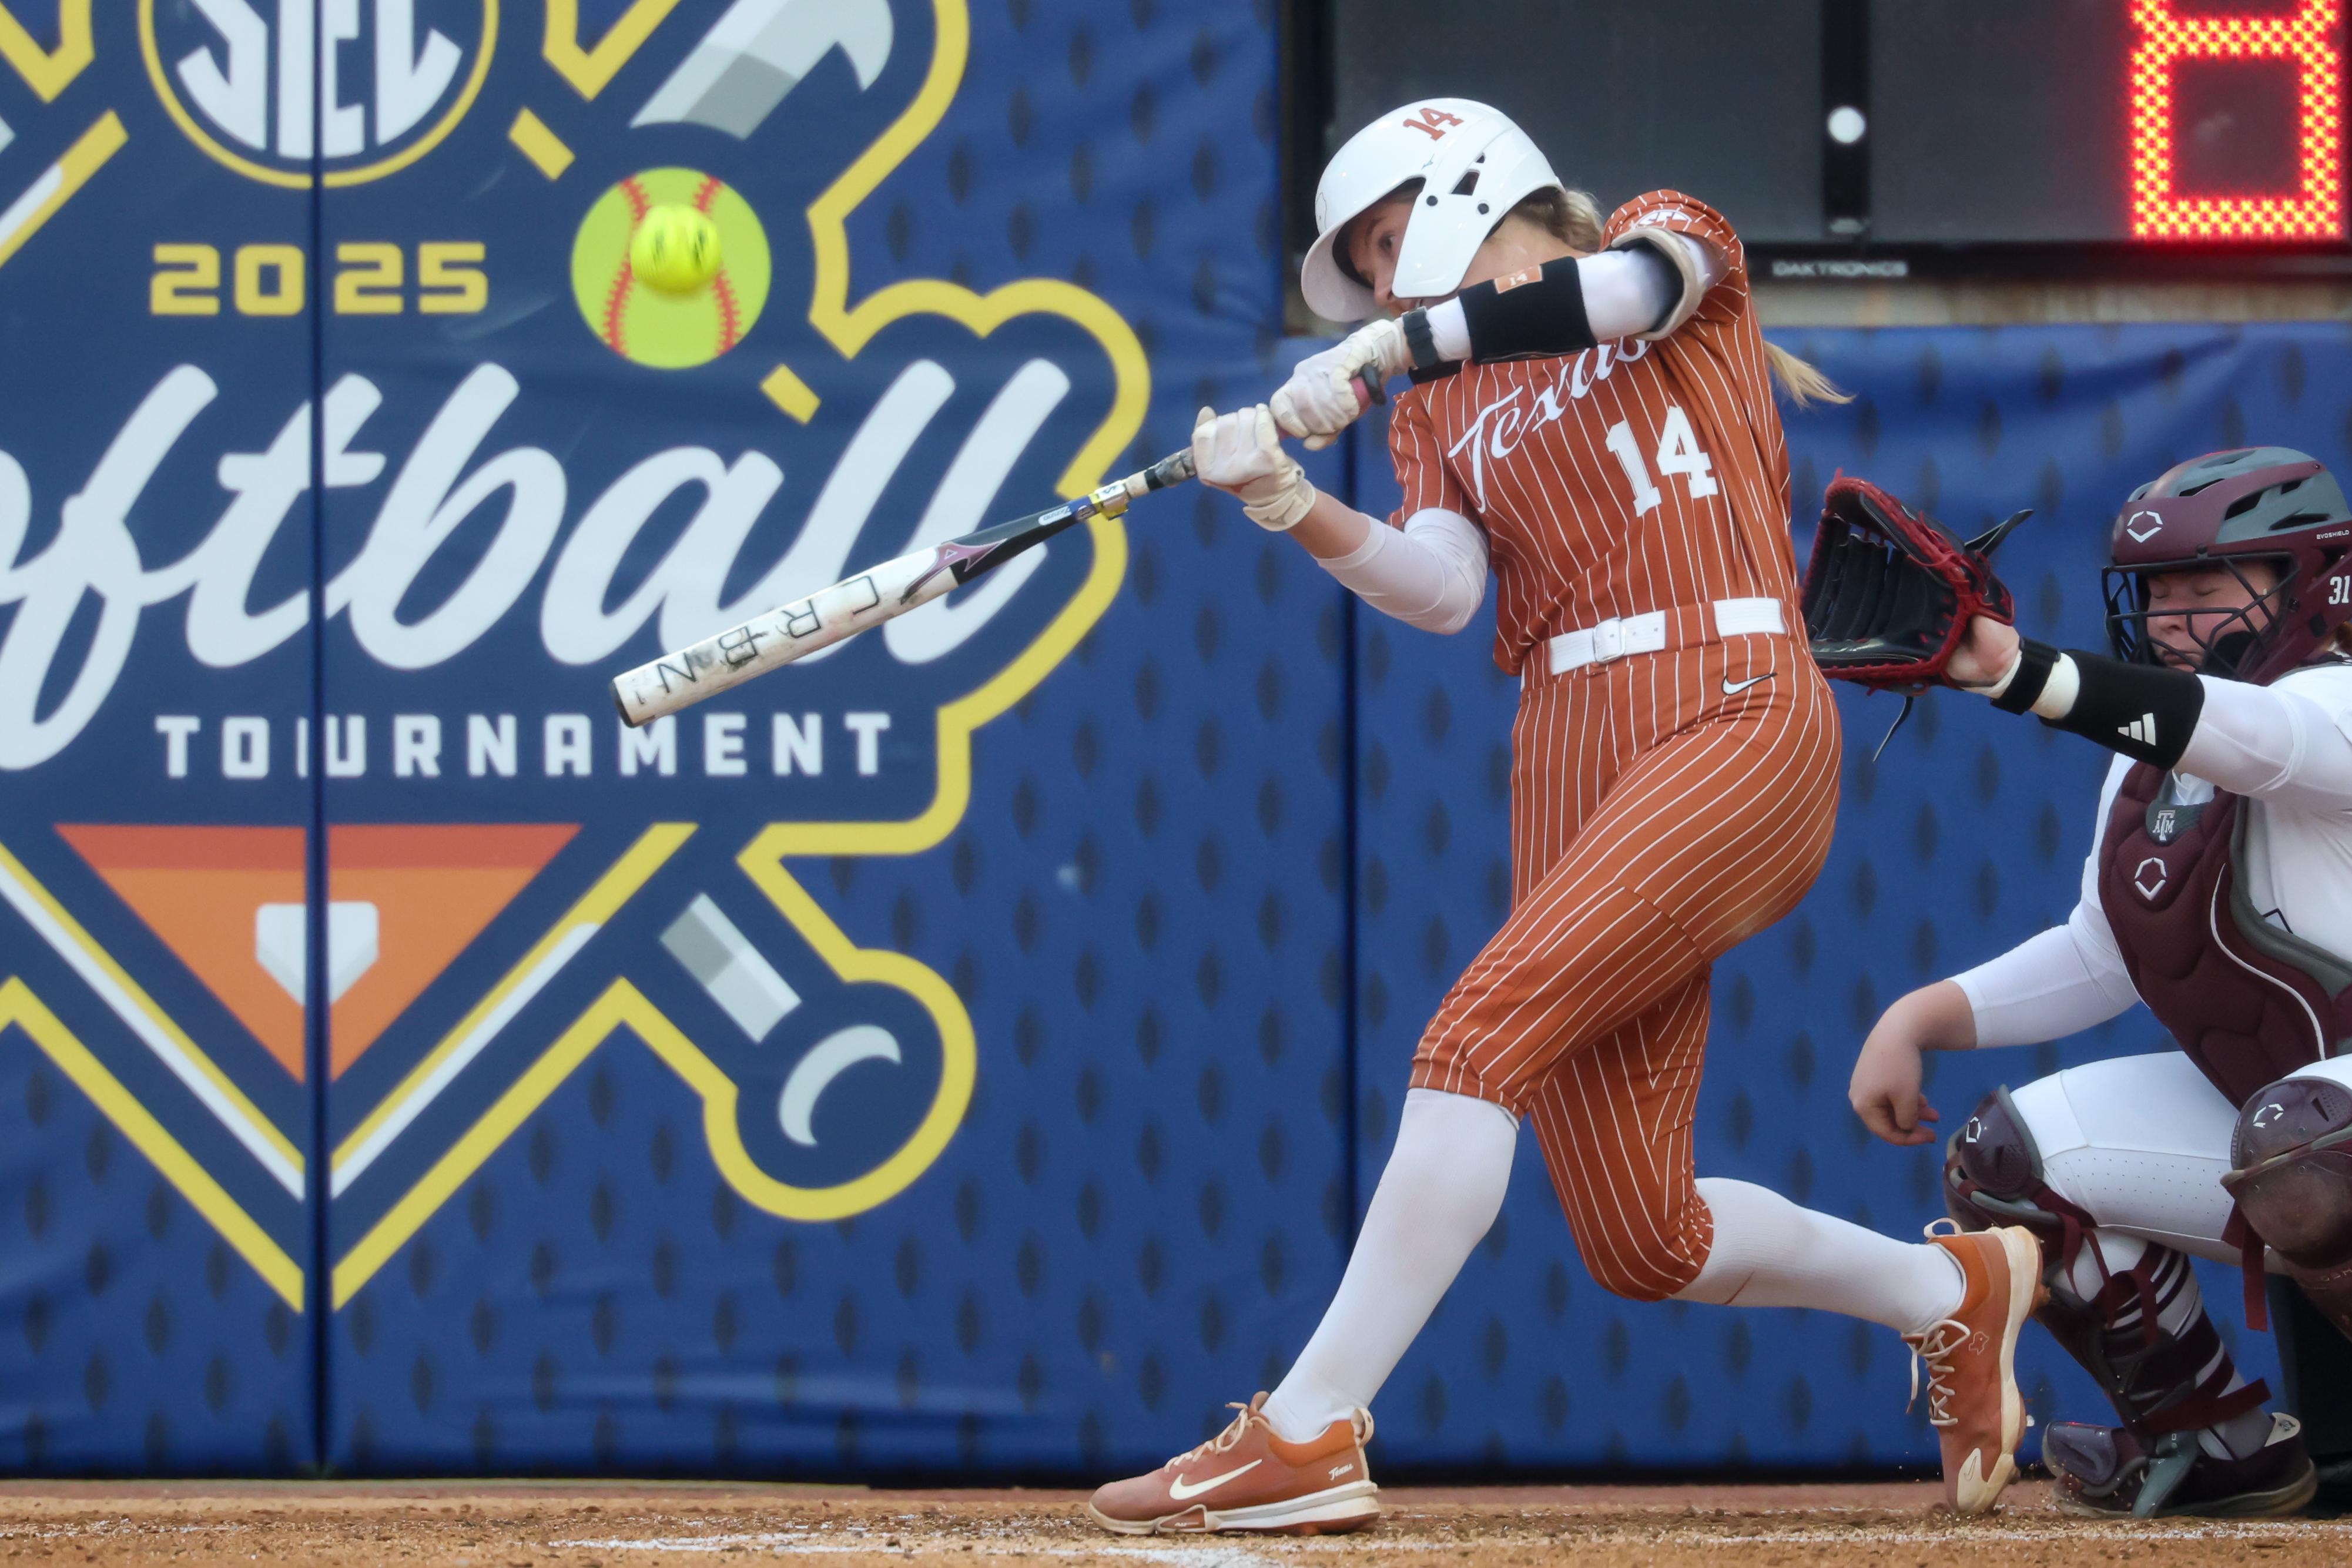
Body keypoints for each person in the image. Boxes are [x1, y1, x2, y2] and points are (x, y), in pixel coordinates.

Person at [1085, 99, 2042, 1536]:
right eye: (1371, 263)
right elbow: (1442, 589)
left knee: (1471, 1041)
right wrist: (1289, 502)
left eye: (1394, 239)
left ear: (1471, 183)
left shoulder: (1666, 244)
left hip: (1731, 706)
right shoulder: (1435, 398)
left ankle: (1309, 1423)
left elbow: (1625, 294)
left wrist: (1389, 347)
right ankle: (1949, 1289)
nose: (1389, 277)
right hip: (1570, 752)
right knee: (1642, 1234)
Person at [1848, 445, 2352, 1517]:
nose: (2170, 618)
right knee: (2010, 1163)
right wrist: (1916, 1018)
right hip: (2303, 1135)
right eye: (2155, 592)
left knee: (2300, 1137)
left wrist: (2017, 672)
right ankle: (2214, 1448)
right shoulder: (2149, 753)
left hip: (2316, 1134)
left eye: (2203, 585)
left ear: (2309, 583)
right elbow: (2105, 953)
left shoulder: (2330, 697)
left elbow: (2257, 738)